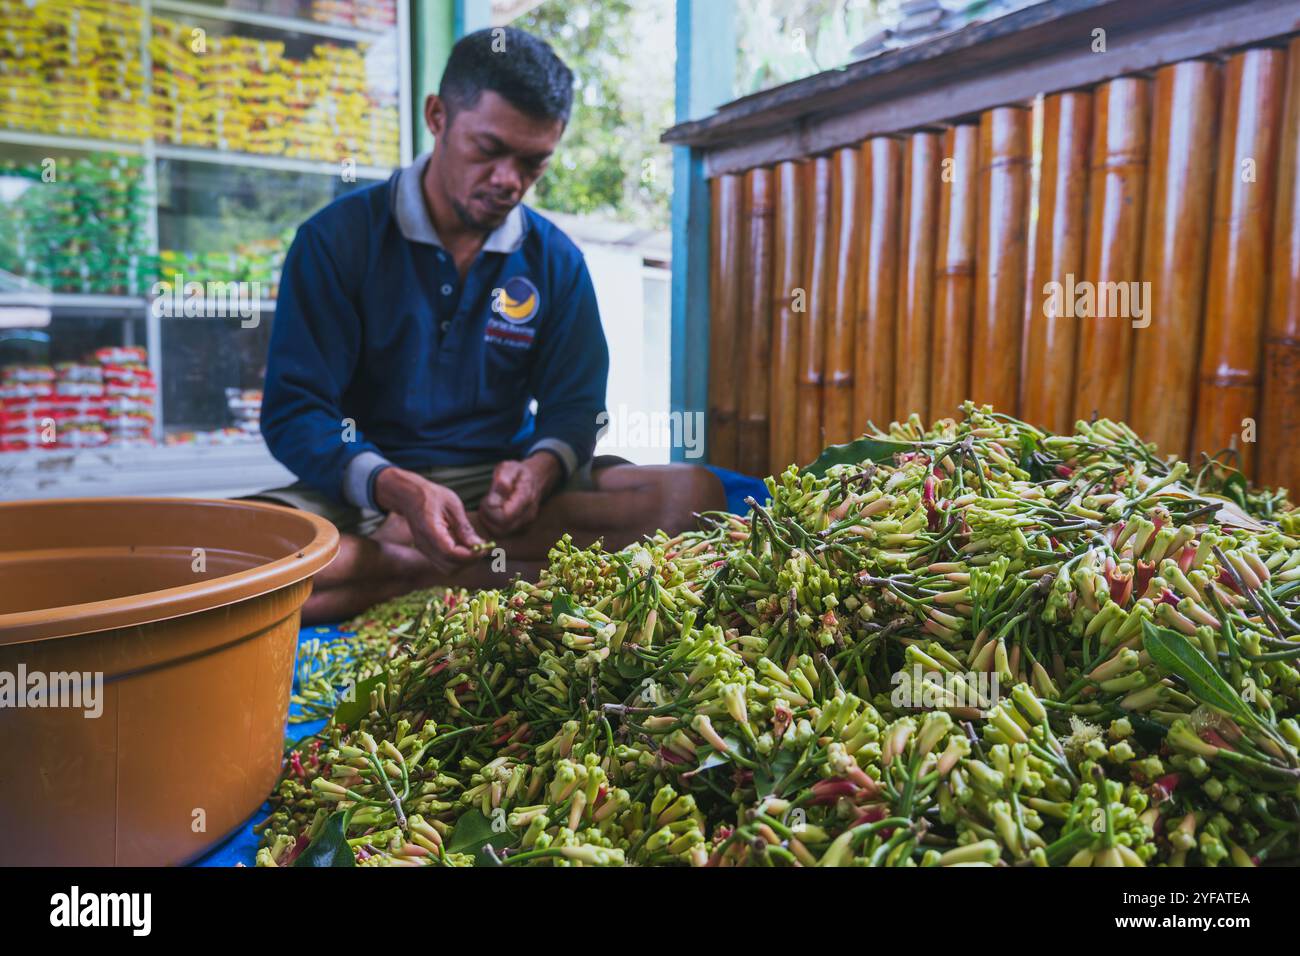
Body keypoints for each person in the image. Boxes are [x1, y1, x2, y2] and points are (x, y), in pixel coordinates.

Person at [253, 27, 725, 623]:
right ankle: (452, 565)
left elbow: (577, 408)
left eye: (533, 162)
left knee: (693, 498)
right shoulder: (335, 241)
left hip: (495, 496)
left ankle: (402, 567)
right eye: (489, 149)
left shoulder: (555, 261)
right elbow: (296, 413)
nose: (509, 180)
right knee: (242, 567)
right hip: (360, 485)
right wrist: (393, 486)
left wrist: (540, 470)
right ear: (437, 117)